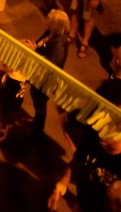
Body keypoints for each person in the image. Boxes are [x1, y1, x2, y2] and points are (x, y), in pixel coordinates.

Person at [48, 80, 121, 212]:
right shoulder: (93, 135)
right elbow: (78, 161)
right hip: (82, 205)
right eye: (100, 116)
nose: (101, 128)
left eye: (112, 121)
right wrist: (61, 185)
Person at [20, 10, 70, 137]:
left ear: (56, 24)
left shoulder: (59, 44)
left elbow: (50, 64)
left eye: (50, 20)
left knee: (40, 102)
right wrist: (32, 45)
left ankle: (37, 130)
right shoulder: (50, 32)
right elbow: (39, 44)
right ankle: (37, 120)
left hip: (46, 79)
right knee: (34, 95)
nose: (46, 20)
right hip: (38, 74)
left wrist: (33, 51)